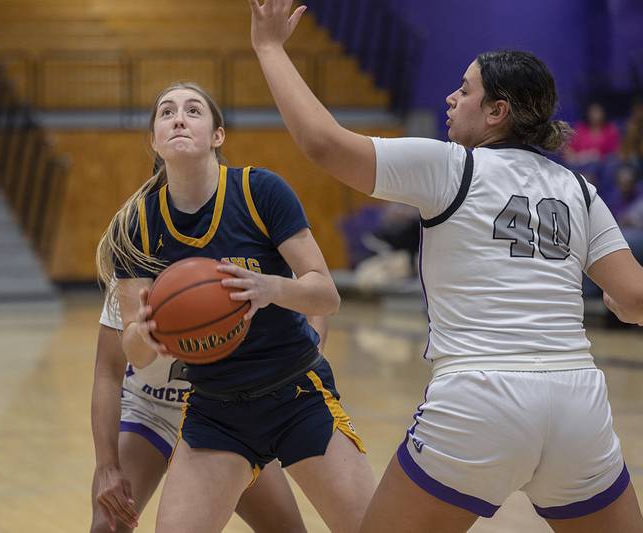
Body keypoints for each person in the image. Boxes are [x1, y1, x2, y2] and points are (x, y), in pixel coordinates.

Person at [249, 1, 643, 532]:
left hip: (479, 400)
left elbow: (323, 143)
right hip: (577, 401)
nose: (451, 98)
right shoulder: (579, 188)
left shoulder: (451, 167)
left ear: (497, 112)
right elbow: (636, 298)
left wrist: (269, 48)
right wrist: (621, 301)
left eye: (465, 89)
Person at [96, 81, 376, 532]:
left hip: (295, 394)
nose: (179, 118)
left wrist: (270, 288)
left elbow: (326, 293)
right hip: (215, 408)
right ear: (154, 140)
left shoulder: (259, 190)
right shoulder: (137, 225)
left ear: (217, 136)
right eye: (166, 112)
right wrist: (145, 333)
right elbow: (134, 353)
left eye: (192, 110)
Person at [89, 286, 331, 532]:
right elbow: (108, 372)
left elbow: (311, 293)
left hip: (224, 414)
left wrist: (307, 355)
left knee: (286, 529)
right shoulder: (134, 264)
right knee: (107, 525)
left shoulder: (242, 254)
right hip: (151, 410)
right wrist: (107, 466)